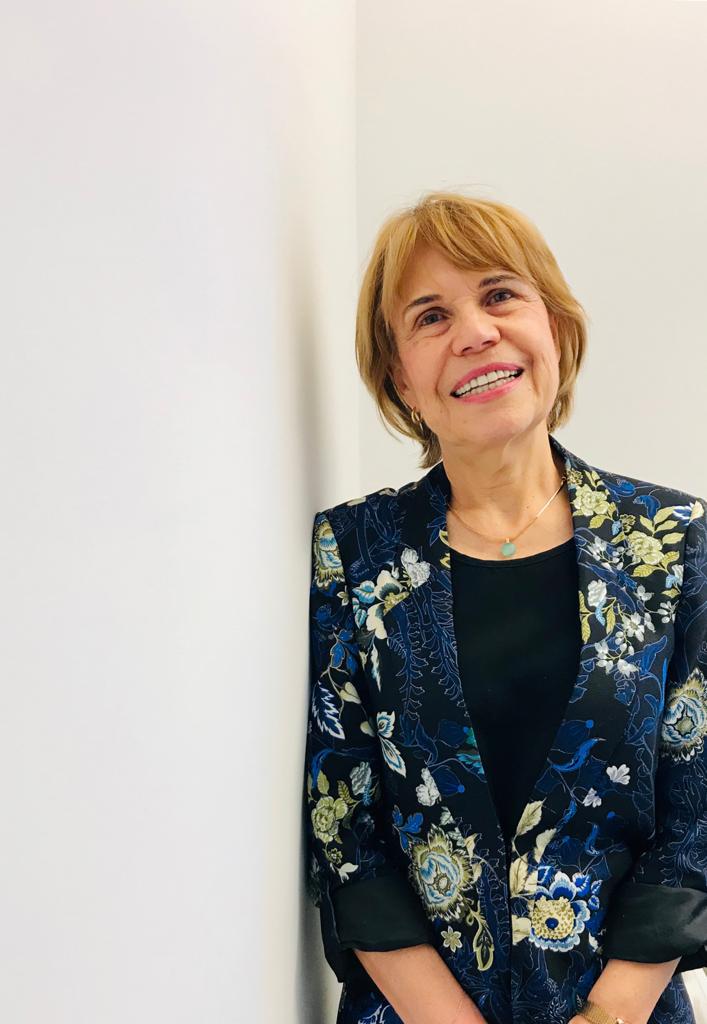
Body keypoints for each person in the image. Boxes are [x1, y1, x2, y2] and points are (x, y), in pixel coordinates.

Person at [303, 191, 707, 1024]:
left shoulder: (672, 541)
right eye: (430, 316)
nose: (474, 333)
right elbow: (346, 832)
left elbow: (694, 816)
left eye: (498, 294)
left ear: (551, 325)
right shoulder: (352, 551)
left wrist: (607, 1016)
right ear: (399, 377)